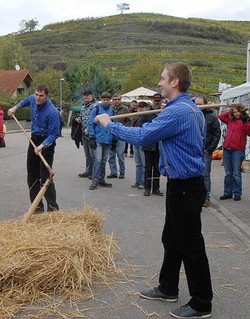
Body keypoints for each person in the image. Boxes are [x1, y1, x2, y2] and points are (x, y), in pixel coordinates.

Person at [97, 62, 212, 318]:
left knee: (191, 246)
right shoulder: (186, 109)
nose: (159, 83)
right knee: (171, 239)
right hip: (180, 184)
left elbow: (142, 137)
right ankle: (168, 287)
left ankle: (202, 303)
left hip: (186, 186)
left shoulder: (180, 112)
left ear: (175, 82)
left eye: (163, 78)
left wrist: (108, 124)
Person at [8, 83, 60, 212]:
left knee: (45, 177)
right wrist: (15, 108)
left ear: (47, 96)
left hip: (46, 142)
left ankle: (53, 208)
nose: (37, 98)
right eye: (36, 94)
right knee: (32, 175)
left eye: (41, 96)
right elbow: (24, 101)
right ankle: (37, 206)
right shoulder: (32, 98)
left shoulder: (52, 112)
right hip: (34, 139)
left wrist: (42, 146)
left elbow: (54, 134)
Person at [219, 105, 250, 202]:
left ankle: (237, 193)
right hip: (227, 149)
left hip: (237, 150)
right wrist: (230, 108)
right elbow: (221, 116)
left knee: (237, 173)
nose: (237, 114)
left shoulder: (244, 122)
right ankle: (227, 192)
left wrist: (245, 119)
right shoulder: (230, 121)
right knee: (228, 173)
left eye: (238, 112)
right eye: (234, 112)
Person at [196, 96, 221, 207]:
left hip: (206, 150)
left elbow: (217, 133)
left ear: (206, 104)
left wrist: (210, 148)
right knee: (195, 174)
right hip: (195, 149)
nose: (198, 106)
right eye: (196, 104)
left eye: (200, 104)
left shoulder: (211, 117)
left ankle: (206, 198)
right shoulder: (193, 115)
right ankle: (197, 196)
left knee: (205, 175)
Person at [88, 92, 115, 190]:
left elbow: (114, 124)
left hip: (108, 139)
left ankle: (101, 179)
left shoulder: (112, 111)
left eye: (107, 100)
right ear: (101, 99)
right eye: (104, 100)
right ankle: (94, 181)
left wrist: (114, 138)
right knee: (98, 160)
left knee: (104, 161)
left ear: (109, 100)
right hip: (98, 138)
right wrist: (91, 137)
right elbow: (91, 123)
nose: (106, 101)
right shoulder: (96, 109)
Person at [140, 103, 163, 197]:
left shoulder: (163, 113)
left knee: (157, 168)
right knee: (148, 168)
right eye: (155, 100)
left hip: (159, 145)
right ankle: (147, 188)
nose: (157, 102)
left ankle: (156, 188)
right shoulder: (146, 113)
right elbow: (141, 125)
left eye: (159, 100)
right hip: (148, 144)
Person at [108, 93, 128, 179]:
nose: (117, 101)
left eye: (118, 99)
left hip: (120, 134)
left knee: (120, 154)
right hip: (110, 134)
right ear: (112, 100)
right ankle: (113, 172)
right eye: (115, 99)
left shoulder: (125, 109)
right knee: (111, 155)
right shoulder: (108, 109)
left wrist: (124, 128)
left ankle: (122, 171)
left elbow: (129, 121)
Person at [78, 90, 97, 178]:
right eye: (84, 95)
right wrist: (77, 119)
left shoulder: (96, 106)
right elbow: (81, 117)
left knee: (93, 154)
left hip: (92, 134)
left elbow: (96, 120)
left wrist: (89, 129)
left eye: (87, 95)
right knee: (87, 154)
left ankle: (94, 172)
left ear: (91, 96)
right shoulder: (83, 107)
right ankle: (88, 171)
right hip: (84, 134)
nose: (86, 97)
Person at [130, 101, 148, 190]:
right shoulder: (136, 116)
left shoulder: (147, 116)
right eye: (139, 107)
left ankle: (143, 182)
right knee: (138, 164)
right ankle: (137, 182)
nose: (140, 108)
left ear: (146, 107)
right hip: (135, 141)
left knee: (144, 164)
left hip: (143, 142)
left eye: (142, 107)